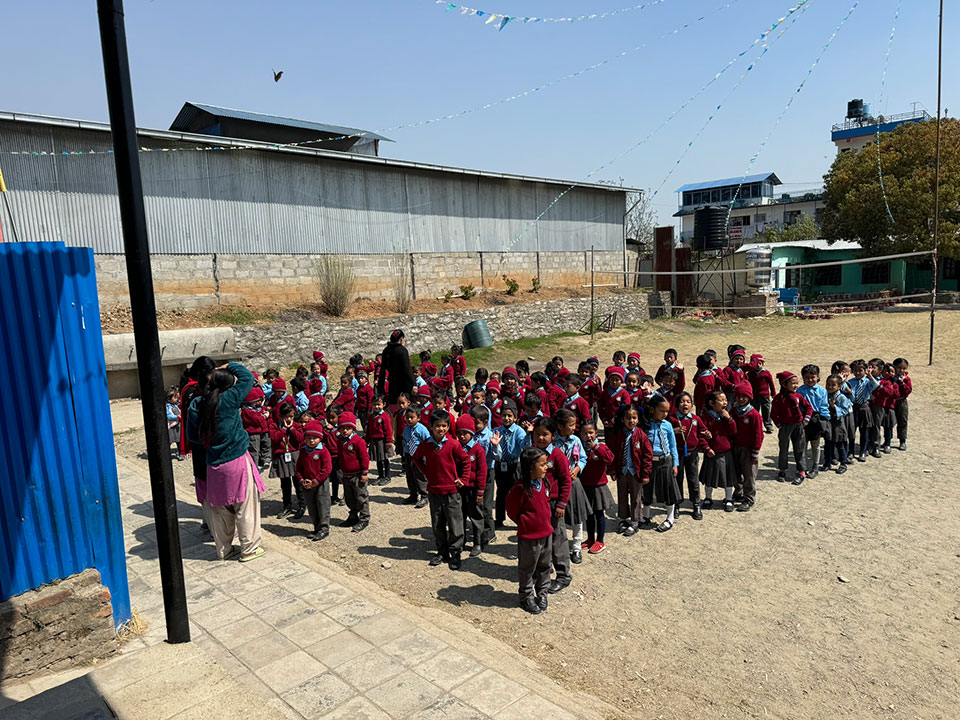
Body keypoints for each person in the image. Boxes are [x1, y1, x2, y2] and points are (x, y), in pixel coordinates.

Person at [186, 362, 265, 563]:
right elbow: (247, 377)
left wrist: (209, 441)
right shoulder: (229, 399)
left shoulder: (196, 404)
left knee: (220, 510)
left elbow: (191, 436)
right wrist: (231, 365)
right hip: (237, 460)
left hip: (213, 463)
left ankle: (223, 549)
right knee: (246, 507)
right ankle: (249, 549)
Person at [413, 410, 468, 570]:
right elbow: (416, 458)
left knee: (455, 523)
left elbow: (465, 460)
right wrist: (427, 472)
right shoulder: (426, 445)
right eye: (437, 426)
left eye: (444, 426)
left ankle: (455, 553)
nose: (441, 429)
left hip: (451, 491)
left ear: (448, 427)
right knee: (437, 523)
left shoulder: (453, 444)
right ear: (431, 427)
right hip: (434, 490)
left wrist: (463, 479)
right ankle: (442, 552)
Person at [506, 446, 553, 615]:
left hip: (546, 533)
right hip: (529, 536)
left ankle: (542, 593)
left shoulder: (544, 482)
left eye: (546, 463)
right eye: (542, 465)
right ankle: (526, 596)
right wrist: (525, 523)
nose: (546, 467)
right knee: (528, 568)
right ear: (530, 468)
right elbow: (511, 510)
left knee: (545, 565)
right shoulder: (520, 489)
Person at [608, 405, 652, 536]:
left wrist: (645, 473)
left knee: (636, 497)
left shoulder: (641, 435)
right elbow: (610, 454)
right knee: (622, 496)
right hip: (622, 471)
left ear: (638, 419)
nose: (631, 421)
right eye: (628, 418)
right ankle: (623, 519)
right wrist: (612, 471)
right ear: (622, 419)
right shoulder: (617, 435)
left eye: (634, 418)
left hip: (636, 473)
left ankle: (635, 521)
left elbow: (647, 455)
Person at [641, 395, 681, 531]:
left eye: (667, 411)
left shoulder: (668, 425)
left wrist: (675, 463)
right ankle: (645, 516)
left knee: (668, 489)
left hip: (666, 461)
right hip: (649, 461)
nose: (665, 414)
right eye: (662, 410)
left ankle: (670, 518)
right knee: (647, 488)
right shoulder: (645, 425)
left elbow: (673, 445)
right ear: (652, 410)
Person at [554, 409, 588, 563]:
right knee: (558, 516)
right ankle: (559, 547)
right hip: (557, 484)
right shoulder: (553, 441)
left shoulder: (575, 440)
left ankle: (576, 546)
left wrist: (578, 468)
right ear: (560, 426)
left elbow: (582, 458)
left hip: (574, 483)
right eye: (571, 425)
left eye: (575, 425)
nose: (574, 428)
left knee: (577, 516)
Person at [699, 390, 738, 512]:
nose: (725, 402)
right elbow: (701, 436)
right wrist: (706, 448)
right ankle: (708, 497)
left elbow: (734, 432)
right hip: (712, 452)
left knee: (728, 477)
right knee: (709, 477)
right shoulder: (706, 418)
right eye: (721, 400)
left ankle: (729, 498)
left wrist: (729, 419)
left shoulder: (727, 416)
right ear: (711, 403)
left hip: (726, 452)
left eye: (726, 400)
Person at [771, 371, 813, 484]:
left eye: (797, 383)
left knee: (799, 448)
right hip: (785, 426)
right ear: (784, 385)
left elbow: (809, 407)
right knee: (783, 448)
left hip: (798, 425)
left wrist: (806, 419)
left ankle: (801, 471)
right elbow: (774, 414)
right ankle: (783, 469)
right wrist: (779, 425)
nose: (796, 386)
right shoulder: (779, 398)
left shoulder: (798, 396)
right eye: (793, 383)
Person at [579, 422, 614, 554]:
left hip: (598, 486)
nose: (588, 436)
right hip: (585, 485)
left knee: (599, 514)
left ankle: (600, 540)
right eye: (585, 433)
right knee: (588, 515)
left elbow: (609, 459)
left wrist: (595, 447)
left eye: (591, 433)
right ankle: (590, 538)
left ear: (596, 434)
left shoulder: (601, 447)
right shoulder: (581, 448)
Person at [455, 414, 487, 558]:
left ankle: (477, 542)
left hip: (474, 489)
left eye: (465, 433)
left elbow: (482, 472)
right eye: (459, 434)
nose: (462, 437)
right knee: (459, 515)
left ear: (472, 433)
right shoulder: (456, 448)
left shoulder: (477, 449)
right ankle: (461, 541)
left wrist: (480, 492)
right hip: (460, 487)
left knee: (476, 515)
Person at [671, 391, 707, 520]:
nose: (685, 404)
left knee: (693, 479)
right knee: (677, 479)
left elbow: (702, 431)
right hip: (678, 453)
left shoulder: (696, 419)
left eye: (688, 402)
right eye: (681, 401)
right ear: (676, 405)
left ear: (692, 405)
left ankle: (696, 504)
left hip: (692, 453)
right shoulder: (673, 419)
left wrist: (706, 434)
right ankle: (677, 504)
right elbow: (665, 433)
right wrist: (674, 431)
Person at [491, 399, 526, 530]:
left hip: (514, 465)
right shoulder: (497, 431)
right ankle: (499, 519)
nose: (506, 418)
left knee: (516, 492)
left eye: (510, 416)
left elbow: (524, 445)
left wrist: (528, 435)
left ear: (515, 417)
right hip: (501, 465)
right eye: (504, 415)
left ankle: (519, 518)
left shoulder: (519, 431)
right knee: (501, 492)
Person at [296, 420, 333, 541]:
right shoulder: (304, 450)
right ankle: (316, 526)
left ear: (320, 438)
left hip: (320, 483)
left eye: (314, 438)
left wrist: (316, 481)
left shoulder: (323, 451)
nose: (311, 441)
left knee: (322, 505)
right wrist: (302, 480)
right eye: (308, 438)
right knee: (312, 506)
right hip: (307, 483)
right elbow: (299, 467)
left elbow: (327, 469)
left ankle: (324, 528)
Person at [731, 383, 763, 511]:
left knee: (749, 474)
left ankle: (749, 498)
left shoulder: (754, 415)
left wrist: (755, 453)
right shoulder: (733, 411)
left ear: (749, 397)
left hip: (748, 449)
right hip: (735, 447)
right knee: (736, 471)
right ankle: (738, 492)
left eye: (744, 396)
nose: (741, 399)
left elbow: (758, 435)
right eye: (738, 396)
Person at [270, 403, 305, 520]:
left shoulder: (297, 426)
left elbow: (300, 439)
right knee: (285, 483)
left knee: (298, 481)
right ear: (281, 416)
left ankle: (302, 505)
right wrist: (284, 429)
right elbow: (274, 439)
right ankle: (287, 506)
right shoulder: (275, 426)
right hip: (282, 455)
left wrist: (292, 429)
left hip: (294, 455)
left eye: (292, 416)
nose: (289, 419)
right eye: (287, 417)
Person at [337, 412, 370, 532]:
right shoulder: (340, 441)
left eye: (348, 428)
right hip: (346, 475)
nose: (345, 431)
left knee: (361, 496)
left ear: (353, 428)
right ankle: (353, 515)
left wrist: (365, 473)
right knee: (349, 497)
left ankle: (364, 518)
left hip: (358, 475)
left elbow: (364, 457)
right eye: (342, 428)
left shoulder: (358, 441)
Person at [797, 364, 829, 479]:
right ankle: (803, 467)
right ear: (803, 378)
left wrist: (825, 420)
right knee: (803, 444)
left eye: (813, 377)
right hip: (803, 419)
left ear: (818, 377)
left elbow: (824, 406)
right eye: (807, 377)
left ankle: (815, 466)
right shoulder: (800, 391)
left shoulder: (822, 391)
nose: (810, 380)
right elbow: (798, 406)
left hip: (816, 419)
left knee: (815, 445)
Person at [844, 360, 878, 462]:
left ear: (865, 370)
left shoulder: (868, 381)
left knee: (864, 431)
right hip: (853, 407)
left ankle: (863, 451)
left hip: (864, 407)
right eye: (855, 370)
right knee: (851, 431)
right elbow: (845, 391)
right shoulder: (851, 382)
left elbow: (876, 385)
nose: (858, 372)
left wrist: (870, 376)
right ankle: (850, 451)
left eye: (861, 370)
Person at [378, 329, 417, 410]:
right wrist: (414, 383)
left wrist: (380, 386)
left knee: (395, 406)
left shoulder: (386, 350)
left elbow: (382, 370)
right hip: (404, 383)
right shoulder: (402, 350)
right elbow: (407, 369)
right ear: (401, 339)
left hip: (392, 382)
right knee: (405, 405)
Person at [402, 404, 431, 508]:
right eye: (407, 418)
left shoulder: (421, 429)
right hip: (409, 454)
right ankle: (413, 495)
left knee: (420, 476)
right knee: (410, 475)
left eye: (412, 417)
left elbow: (427, 441)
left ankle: (424, 496)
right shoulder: (406, 429)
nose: (409, 420)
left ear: (418, 418)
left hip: (419, 456)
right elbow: (405, 441)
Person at [823, 374, 853, 474]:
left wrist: (834, 407)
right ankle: (827, 462)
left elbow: (846, 410)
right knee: (828, 443)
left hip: (838, 423)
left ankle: (843, 463)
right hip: (828, 422)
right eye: (828, 384)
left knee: (840, 443)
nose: (830, 387)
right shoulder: (825, 395)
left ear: (839, 386)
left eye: (833, 385)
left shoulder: (842, 397)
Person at [366, 394, 394, 487]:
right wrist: (367, 440)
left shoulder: (385, 416)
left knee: (384, 458)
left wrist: (389, 441)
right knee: (378, 459)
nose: (377, 407)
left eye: (379, 404)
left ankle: (387, 476)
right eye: (374, 405)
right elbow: (369, 429)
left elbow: (388, 430)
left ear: (384, 404)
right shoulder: (371, 416)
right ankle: (380, 476)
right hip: (374, 441)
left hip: (382, 441)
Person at [241, 387, 271, 471]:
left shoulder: (251, 410)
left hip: (256, 433)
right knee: (254, 451)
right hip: (252, 434)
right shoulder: (247, 411)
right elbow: (257, 420)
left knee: (258, 449)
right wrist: (264, 416)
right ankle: (254, 467)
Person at [747, 354, 776, 433]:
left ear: (763, 364)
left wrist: (773, 393)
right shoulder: (750, 374)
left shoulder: (766, 373)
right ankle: (755, 425)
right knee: (754, 411)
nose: (758, 366)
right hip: (754, 396)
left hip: (765, 395)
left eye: (760, 364)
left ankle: (768, 425)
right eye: (756, 364)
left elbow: (771, 384)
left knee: (766, 411)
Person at [892, 358, 911, 451]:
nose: (901, 370)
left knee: (902, 421)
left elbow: (908, 390)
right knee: (889, 422)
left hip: (902, 402)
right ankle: (887, 440)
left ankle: (902, 441)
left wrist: (902, 383)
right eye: (899, 368)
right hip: (890, 402)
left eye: (904, 368)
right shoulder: (890, 378)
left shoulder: (906, 379)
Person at [166, 387, 183, 461]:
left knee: (179, 440)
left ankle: (180, 453)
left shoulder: (175, 404)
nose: (177, 399)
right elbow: (169, 415)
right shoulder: (168, 406)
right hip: (172, 426)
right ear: (169, 399)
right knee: (169, 440)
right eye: (175, 397)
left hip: (177, 425)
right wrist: (177, 417)